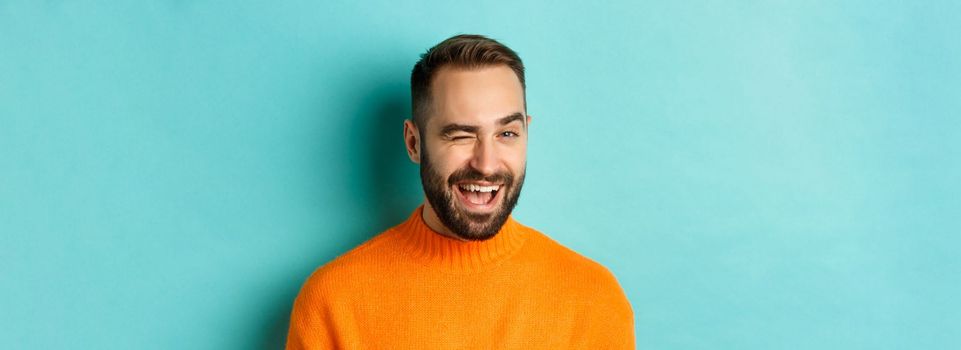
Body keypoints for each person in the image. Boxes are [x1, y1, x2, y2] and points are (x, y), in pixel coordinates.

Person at [286, 34, 635, 349]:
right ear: (413, 142)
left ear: (527, 132)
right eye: (460, 135)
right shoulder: (332, 302)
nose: (486, 164)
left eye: (507, 134)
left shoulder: (594, 299)